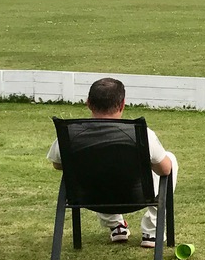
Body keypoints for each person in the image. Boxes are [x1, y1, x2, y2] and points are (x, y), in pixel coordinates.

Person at [45, 77, 178, 248]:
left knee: (97, 171)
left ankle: (116, 226)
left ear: (88, 103)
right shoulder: (140, 133)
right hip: (135, 196)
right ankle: (152, 232)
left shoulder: (70, 134)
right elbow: (165, 169)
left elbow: (57, 164)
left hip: (90, 196)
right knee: (169, 159)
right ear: (122, 104)